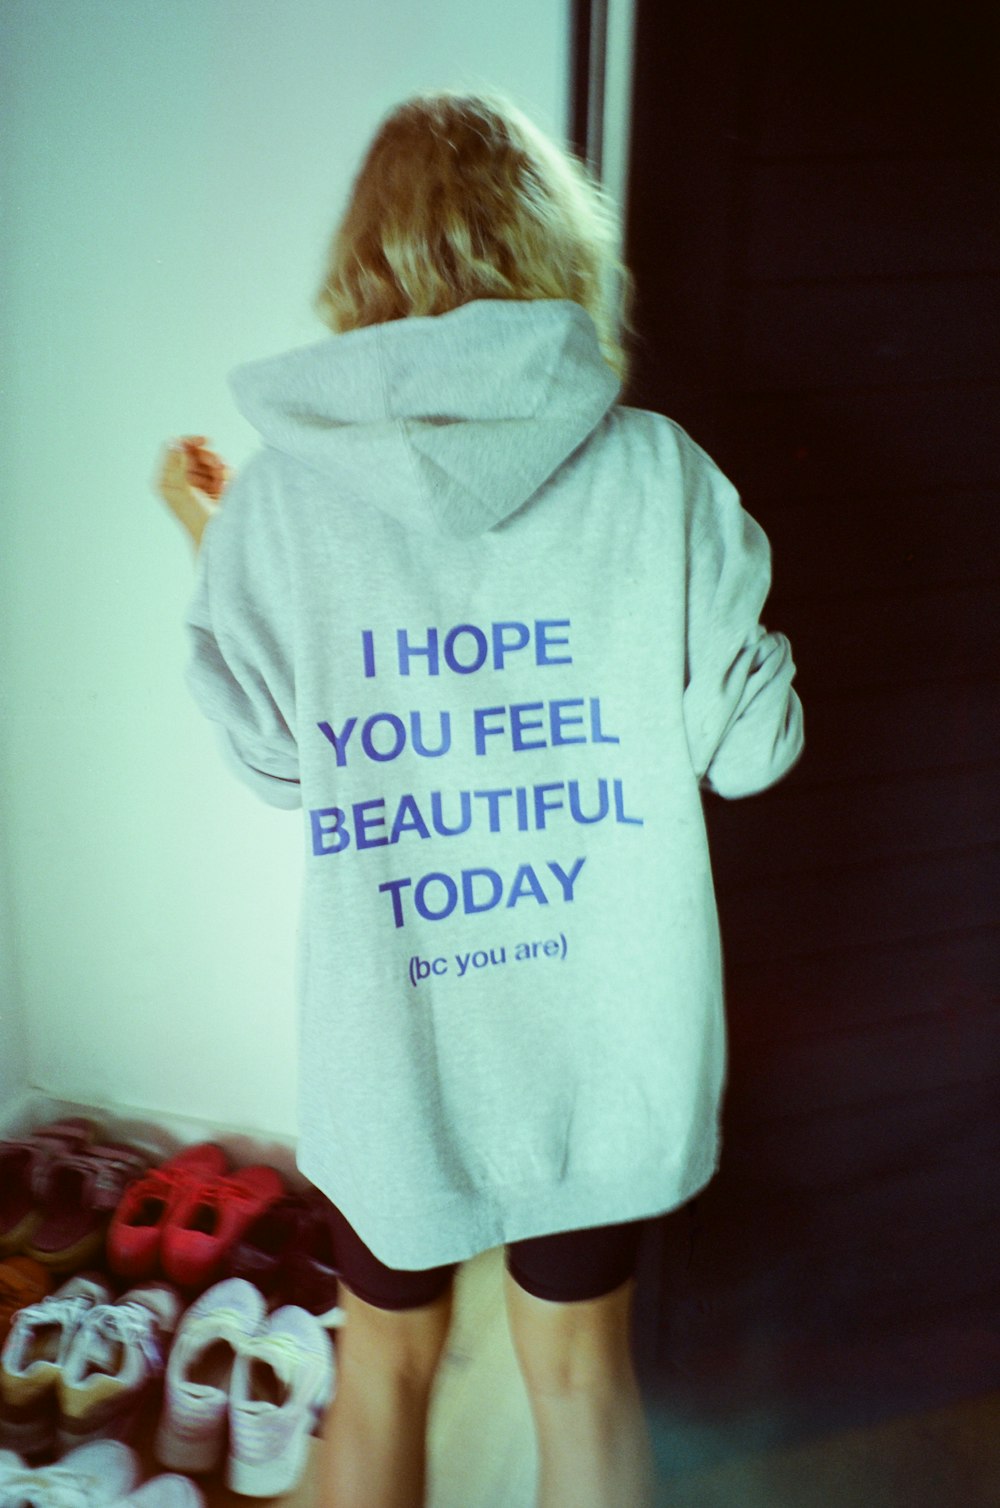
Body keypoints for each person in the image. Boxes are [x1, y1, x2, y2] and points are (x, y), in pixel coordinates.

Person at [154, 91, 803, 1508]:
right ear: (555, 252)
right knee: (579, 1383)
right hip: (599, 1040)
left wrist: (220, 550)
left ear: (367, 260)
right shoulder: (660, 477)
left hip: (400, 1038)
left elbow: (280, 766)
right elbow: (752, 750)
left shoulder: (275, 509)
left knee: (379, 1373)